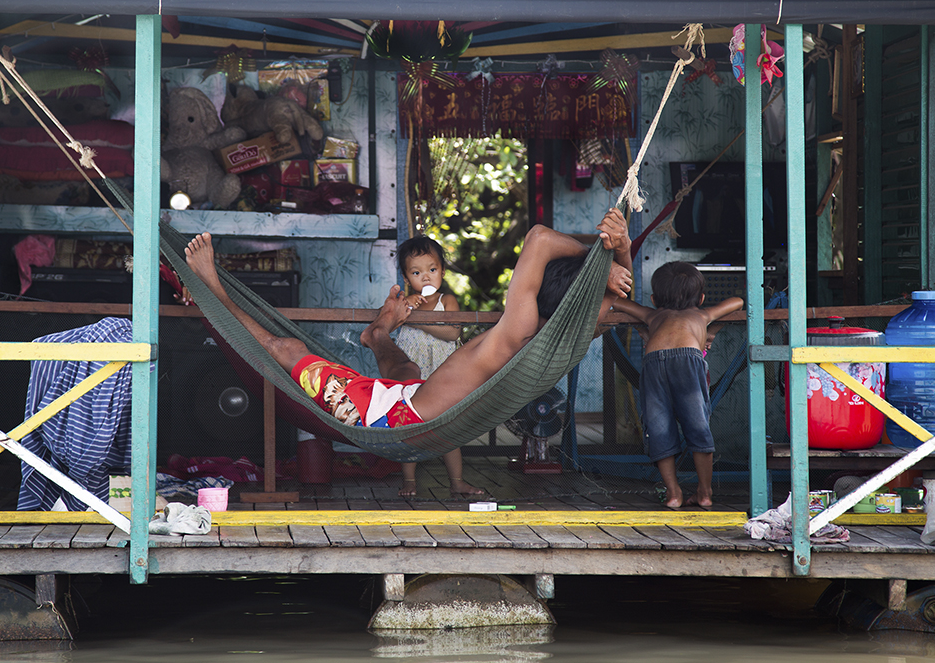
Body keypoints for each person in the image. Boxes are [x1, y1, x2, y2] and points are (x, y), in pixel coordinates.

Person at [181, 207, 632, 443]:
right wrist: (613, 252)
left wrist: (603, 253)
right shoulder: (549, 338)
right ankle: (377, 335)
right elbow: (609, 294)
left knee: (285, 350)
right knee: (403, 375)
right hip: (409, 403)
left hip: (398, 420)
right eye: (600, 297)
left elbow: (543, 241)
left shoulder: (528, 334)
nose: (606, 306)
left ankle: (213, 290)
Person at [610, 261, 743, 508]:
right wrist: (709, 325)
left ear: (653, 298)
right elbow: (737, 302)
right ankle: (704, 493)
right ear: (701, 297)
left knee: (659, 428)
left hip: (653, 364)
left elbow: (618, 302)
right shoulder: (702, 315)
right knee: (698, 427)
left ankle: (673, 494)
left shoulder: (653, 314)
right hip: (688, 362)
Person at [393, 235, 480, 497]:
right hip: (413, 377)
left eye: (432, 270)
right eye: (417, 272)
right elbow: (389, 325)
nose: (427, 277)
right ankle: (409, 480)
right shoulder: (405, 303)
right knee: (408, 428)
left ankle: (457, 482)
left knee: (447, 430)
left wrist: (417, 320)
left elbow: (453, 333)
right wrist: (407, 309)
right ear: (407, 279)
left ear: (442, 270)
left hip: (442, 376)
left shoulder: (448, 301)